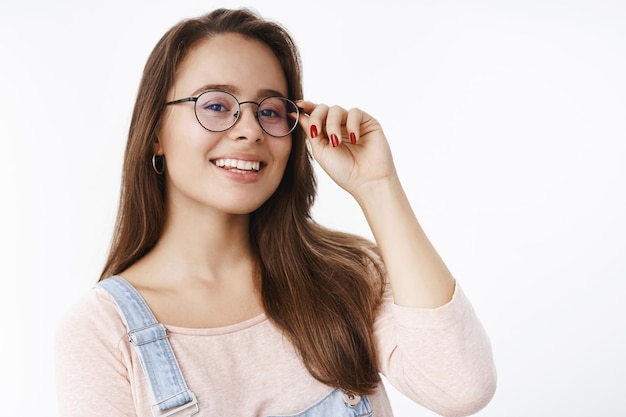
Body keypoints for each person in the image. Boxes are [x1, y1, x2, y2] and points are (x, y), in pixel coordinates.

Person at [55, 7, 496, 417]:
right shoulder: (103, 331)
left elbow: (460, 388)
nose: (249, 129)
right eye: (215, 105)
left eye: (270, 111)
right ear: (155, 133)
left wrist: (376, 186)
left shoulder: (347, 276)